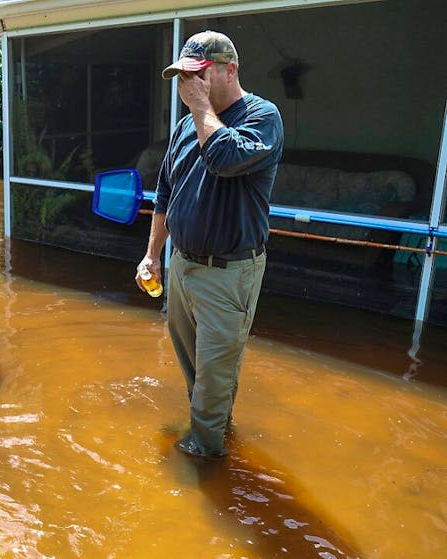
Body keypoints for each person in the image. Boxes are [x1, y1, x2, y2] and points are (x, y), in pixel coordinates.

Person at [137, 30, 284, 460]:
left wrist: (202, 108)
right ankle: (217, 428)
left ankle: (204, 458)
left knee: (216, 373)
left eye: (198, 75)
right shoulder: (185, 127)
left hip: (229, 272)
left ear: (229, 70)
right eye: (183, 75)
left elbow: (223, 158)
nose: (188, 85)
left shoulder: (263, 117)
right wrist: (152, 255)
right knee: (195, 369)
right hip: (183, 266)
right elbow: (166, 192)